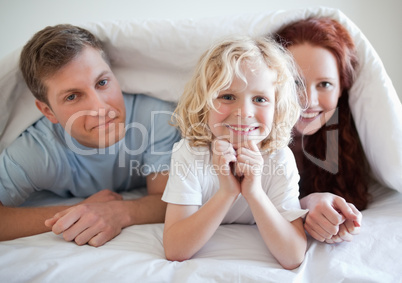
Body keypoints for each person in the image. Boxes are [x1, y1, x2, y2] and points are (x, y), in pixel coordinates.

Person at [0, 24, 181, 246]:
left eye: (102, 83)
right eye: (73, 97)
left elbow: (168, 199)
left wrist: (120, 212)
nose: (100, 108)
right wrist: (78, 212)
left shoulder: (155, 118)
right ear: (48, 111)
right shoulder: (37, 151)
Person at [162, 36, 307, 270]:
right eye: (228, 97)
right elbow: (175, 248)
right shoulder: (189, 153)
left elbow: (293, 255)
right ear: (203, 102)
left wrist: (254, 192)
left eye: (260, 99)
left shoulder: (279, 159)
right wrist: (226, 192)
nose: (244, 112)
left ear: (276, 109)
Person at [274, 17, 369, 244]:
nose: (308, 101)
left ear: (340, 90)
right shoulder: (248, 136)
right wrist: (305, 204)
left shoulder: (347, 140)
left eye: (324, 84)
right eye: (295, 83)